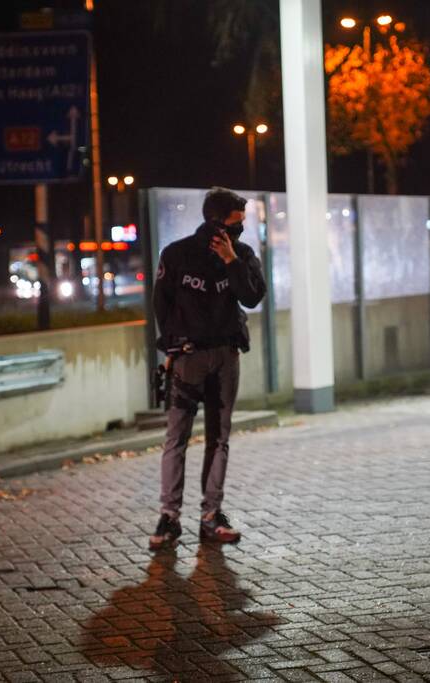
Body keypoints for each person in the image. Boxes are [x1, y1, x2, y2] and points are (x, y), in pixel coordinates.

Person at [149, 187, 267, 550]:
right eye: (235, 223)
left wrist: (231, 261)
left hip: (226, 356)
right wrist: (171, 348)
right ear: (217, 223)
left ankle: (211, 515)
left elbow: (252, 296)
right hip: (188, 358)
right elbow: (161, 304)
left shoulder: (242, 255)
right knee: (176, 438)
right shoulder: (177, 254)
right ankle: (169, 518)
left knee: (219, 437)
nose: (240, 230)